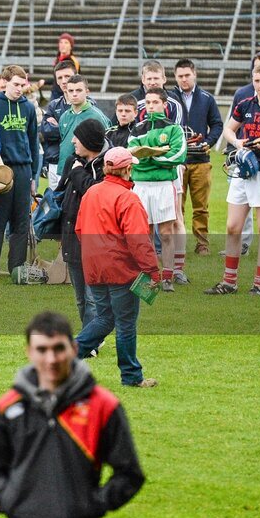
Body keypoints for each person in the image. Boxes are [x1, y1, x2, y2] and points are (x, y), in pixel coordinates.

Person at [0, 311, 145, 518]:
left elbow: (130, 473)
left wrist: (92, 505)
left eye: (58, 348)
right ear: (29, 352)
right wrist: (9, 500)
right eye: (42, 350)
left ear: (74, 349)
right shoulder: (10, 406)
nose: (51, 359)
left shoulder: (103, 405)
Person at [206, 62, 260, 296]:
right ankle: (229, 282)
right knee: (232, 226)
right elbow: (229, 130)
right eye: (257, 81)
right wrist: (237, 143)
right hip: (243, 168)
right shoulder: (245, 103)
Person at [73, 147, 160, 388]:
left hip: (94, 267)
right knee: (125, 324)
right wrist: (152, 270)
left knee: (104, 319)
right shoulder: (128, 198)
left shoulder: (91, 192)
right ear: (128, 169)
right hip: (121, 269)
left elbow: (80, 229)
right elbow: (139, 239)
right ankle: (131, 376)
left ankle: (66, 358)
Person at [0, 65, 40, 277]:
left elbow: (33, 141)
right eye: (15, 84)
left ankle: (16, 266)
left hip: (24, 168)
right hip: (2, 168)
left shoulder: (28, 108)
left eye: (22, 85)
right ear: (5, 82)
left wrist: (34, 175)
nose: (19, 89)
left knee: (21, 218)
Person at [128, 88, 187, 291]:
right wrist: (156, 159)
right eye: (148, 102)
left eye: (155, 102)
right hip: (141, 186)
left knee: (166, 232)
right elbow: (133, 159)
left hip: (164, 185)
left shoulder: (174, 129)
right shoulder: (137, 129)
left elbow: (177, 156)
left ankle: (168, 277)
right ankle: (151, 276)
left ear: (164, 104)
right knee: (145, 233)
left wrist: (150, 158)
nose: (151, 106)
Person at [57, 119, 107, 325]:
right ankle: (90, 335)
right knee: (80, 299)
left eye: (78, 137)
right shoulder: (72, 161)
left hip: (94, 241)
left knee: (92, 297)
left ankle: (92, 339)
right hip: (71, 236)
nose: (74, 141)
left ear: (89, 141)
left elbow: (95, 193)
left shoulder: (106, 166)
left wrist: (78, 173)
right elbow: (61, 192)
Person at [174, 58, 223, 256]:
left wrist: (208, 142)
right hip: (177, 161)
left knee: (201, 207)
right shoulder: (170, 98)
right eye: (180, 76)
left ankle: (202, 244)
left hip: (201, 160)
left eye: (187, 75)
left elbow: (217, 124)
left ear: (194, 74)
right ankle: (178, 244)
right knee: (177, 207)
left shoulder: (207, 98)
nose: (184, 79)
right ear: (175, 77)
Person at [57, 74, 110, 185]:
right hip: (63, 170)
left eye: (79, 90)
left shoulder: (97, 116)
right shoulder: (64, 116)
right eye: (71, 91)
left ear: (87, 92)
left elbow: (106, 145)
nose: (74, 94)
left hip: (86, 171)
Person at [41, 60, 79, 187]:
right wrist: (68, 129)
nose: (64, 81)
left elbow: (81, 134)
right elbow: (46, 132)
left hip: (76, 163)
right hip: (54, 162)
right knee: (54, 204)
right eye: (60, 78)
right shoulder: (54, 105)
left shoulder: (88, 104)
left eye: (67, 76)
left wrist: (59, 126)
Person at [49, 32, 80, 100]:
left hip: (66, 94)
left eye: (66, 42)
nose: (63, 45)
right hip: (55, 93)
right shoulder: (57, 59)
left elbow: (76, 79)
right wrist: (44, 82)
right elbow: (55, 78)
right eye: (61, 42)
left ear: (71, 46)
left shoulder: (73, 61)